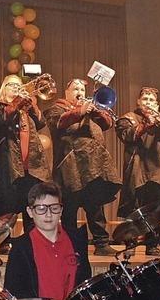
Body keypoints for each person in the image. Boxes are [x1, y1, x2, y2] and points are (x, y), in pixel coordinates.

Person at [45, 78, 121, 256]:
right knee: (69, 209)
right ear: (66, 93)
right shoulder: (57, 108)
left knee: (95, 206)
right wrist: (79, 111)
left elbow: (107, 124)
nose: (79, 91)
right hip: (69, 168)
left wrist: (96, 112)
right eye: (75, 88)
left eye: (81, 88)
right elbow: (58, 123)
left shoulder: (91, 110)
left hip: (93, 167)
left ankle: (101, 243)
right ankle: (69, 246)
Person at [0, 74, 51, 253]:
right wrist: (17, 103)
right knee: (7, 205)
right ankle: (5, 242)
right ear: (3, 89)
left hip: (31, 167)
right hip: (7, 165)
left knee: (30, 205)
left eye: (19, 86)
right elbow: (0, 121)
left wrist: (33, 104)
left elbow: (42, 122)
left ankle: (32, 243)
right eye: (11, 85)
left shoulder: (26, 110)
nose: (16, 88)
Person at [116, 87, 160, 256]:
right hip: (137, 167)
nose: (148, 102)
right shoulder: (128, 117)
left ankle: (152, 244)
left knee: (155, 207)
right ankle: (131, 242)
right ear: (138, 102)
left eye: (151, 100)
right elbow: (128, 135)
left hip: (157, 169)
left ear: (156, 103)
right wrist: (145, 123)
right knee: (134, 204)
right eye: (145, 99)